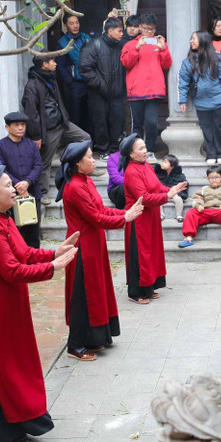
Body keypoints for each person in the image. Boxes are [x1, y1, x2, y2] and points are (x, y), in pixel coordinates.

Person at [0, 165, 79, 442]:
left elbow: (24, 253)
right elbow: (13, 270)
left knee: (16, 362)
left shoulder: (2, 219)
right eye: (7, 185)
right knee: (0, 366)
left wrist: (54, 252)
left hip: (10, 301)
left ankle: (18, 420)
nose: (15, 187)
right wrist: (52, 268)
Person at [58, 141, 144, 361]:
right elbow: (95, 218)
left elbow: (101, 209)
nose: (93, 159)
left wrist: (122, 212)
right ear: (77, 163)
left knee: (96, 291)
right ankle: (75, 345)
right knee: (82, 296)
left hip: (94, 243)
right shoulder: (75, 187)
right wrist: (124, 218)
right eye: (89, 156)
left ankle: (94, 339)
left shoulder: (85, 181)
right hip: (82, 248)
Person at [121, 134, 187, 304]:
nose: (145, 151)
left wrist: (170, 190)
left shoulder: (147, 167)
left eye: (145, 147)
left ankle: (149, 288)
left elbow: (157, 187)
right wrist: (167, 196)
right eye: (141, 148)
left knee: (152, 252)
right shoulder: (131, 171)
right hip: (139, 219)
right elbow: (144, 198)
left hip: (151, 217)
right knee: (140, 255)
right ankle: (136, 292)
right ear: (131, 153)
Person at [22, 55, 91, 202]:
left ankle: (79, 171)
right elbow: (31, 112)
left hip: (62, 123)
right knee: (44, 161)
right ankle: (42, 193)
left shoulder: (51, 78)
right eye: (52, 60)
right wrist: (36, 135)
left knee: (84, 138)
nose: (55, 63)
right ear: (44, 64)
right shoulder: (32, 85)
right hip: (48, 128)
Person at [121, 12, 172, 157]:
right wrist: (137, 47)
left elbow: (167, 64)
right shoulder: (130, 44)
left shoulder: (160, 44)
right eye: (146, 28)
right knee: (136, 124)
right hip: (136, 90)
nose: (150, 32)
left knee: (151, 122)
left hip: (154, 89)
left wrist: (163, 48)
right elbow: (126, 63)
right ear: (140, 28)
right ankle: (136, 151)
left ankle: (149, 150)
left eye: (152, 29)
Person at [178, 30, 221, 165]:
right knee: (206, 129)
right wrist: (182, 100)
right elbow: (182, 81)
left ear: (203, 40)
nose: (192, 41)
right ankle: (211, 153)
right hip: (201, 102)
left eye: (195, 39)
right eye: (191, 39)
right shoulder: (187, 61)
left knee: (220, 128)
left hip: (218, 100)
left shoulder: (217, 57)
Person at [0, 112, 44, 248]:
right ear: (7, 127)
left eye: (23, 125)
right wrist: (17, 185)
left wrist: (27, 182)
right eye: (16, 125)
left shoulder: (31, 145)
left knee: (33, 230)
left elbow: (38, 165)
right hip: (10, 194)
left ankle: (35, 265)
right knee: (14, 232)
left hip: (32, 192)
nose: (21, 128)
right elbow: (1, 168)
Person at [79, 17, 127, 157]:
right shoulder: (94, 46)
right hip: (98, 93)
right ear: (110, 31)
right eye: (119, 31)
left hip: (117, 93)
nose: (121, 34)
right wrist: (100, 85)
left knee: (117, 122)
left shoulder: (122, 46)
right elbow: (84, 68)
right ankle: (103, 150)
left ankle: (114, 149)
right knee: (100, 123)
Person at [178, 165, 221, 248]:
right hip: (205, 212)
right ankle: (188, 237)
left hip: (219, 211)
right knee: (191, 212)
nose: (214, 180)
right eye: (211, 178)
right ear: (208, 179)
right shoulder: (204, 189)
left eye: (216, 177)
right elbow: (196, 198)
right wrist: (198, 205)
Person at [56, 14, 92, 133]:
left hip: (90, 82)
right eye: (71, 23)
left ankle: (92, 142)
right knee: (75, 114)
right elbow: (60, 66)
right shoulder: (62, 43)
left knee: (91, 114)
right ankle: (77, 143)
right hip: (75, 83)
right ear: (65, 25)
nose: (75, 26)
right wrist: (70, 82)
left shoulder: (86, 38)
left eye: (77, 22)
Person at [154, 154, 188, 222]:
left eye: (165, 162)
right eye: (162, 161)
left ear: (172, 166)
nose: (162, 163)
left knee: (178, 199)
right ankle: (161, 214)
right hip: (163, 194)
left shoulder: (179, 176)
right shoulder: (158, 174)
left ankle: (179, 215)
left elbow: (182, 185)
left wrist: (175, 191)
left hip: (174, 195)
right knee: (157, 198)